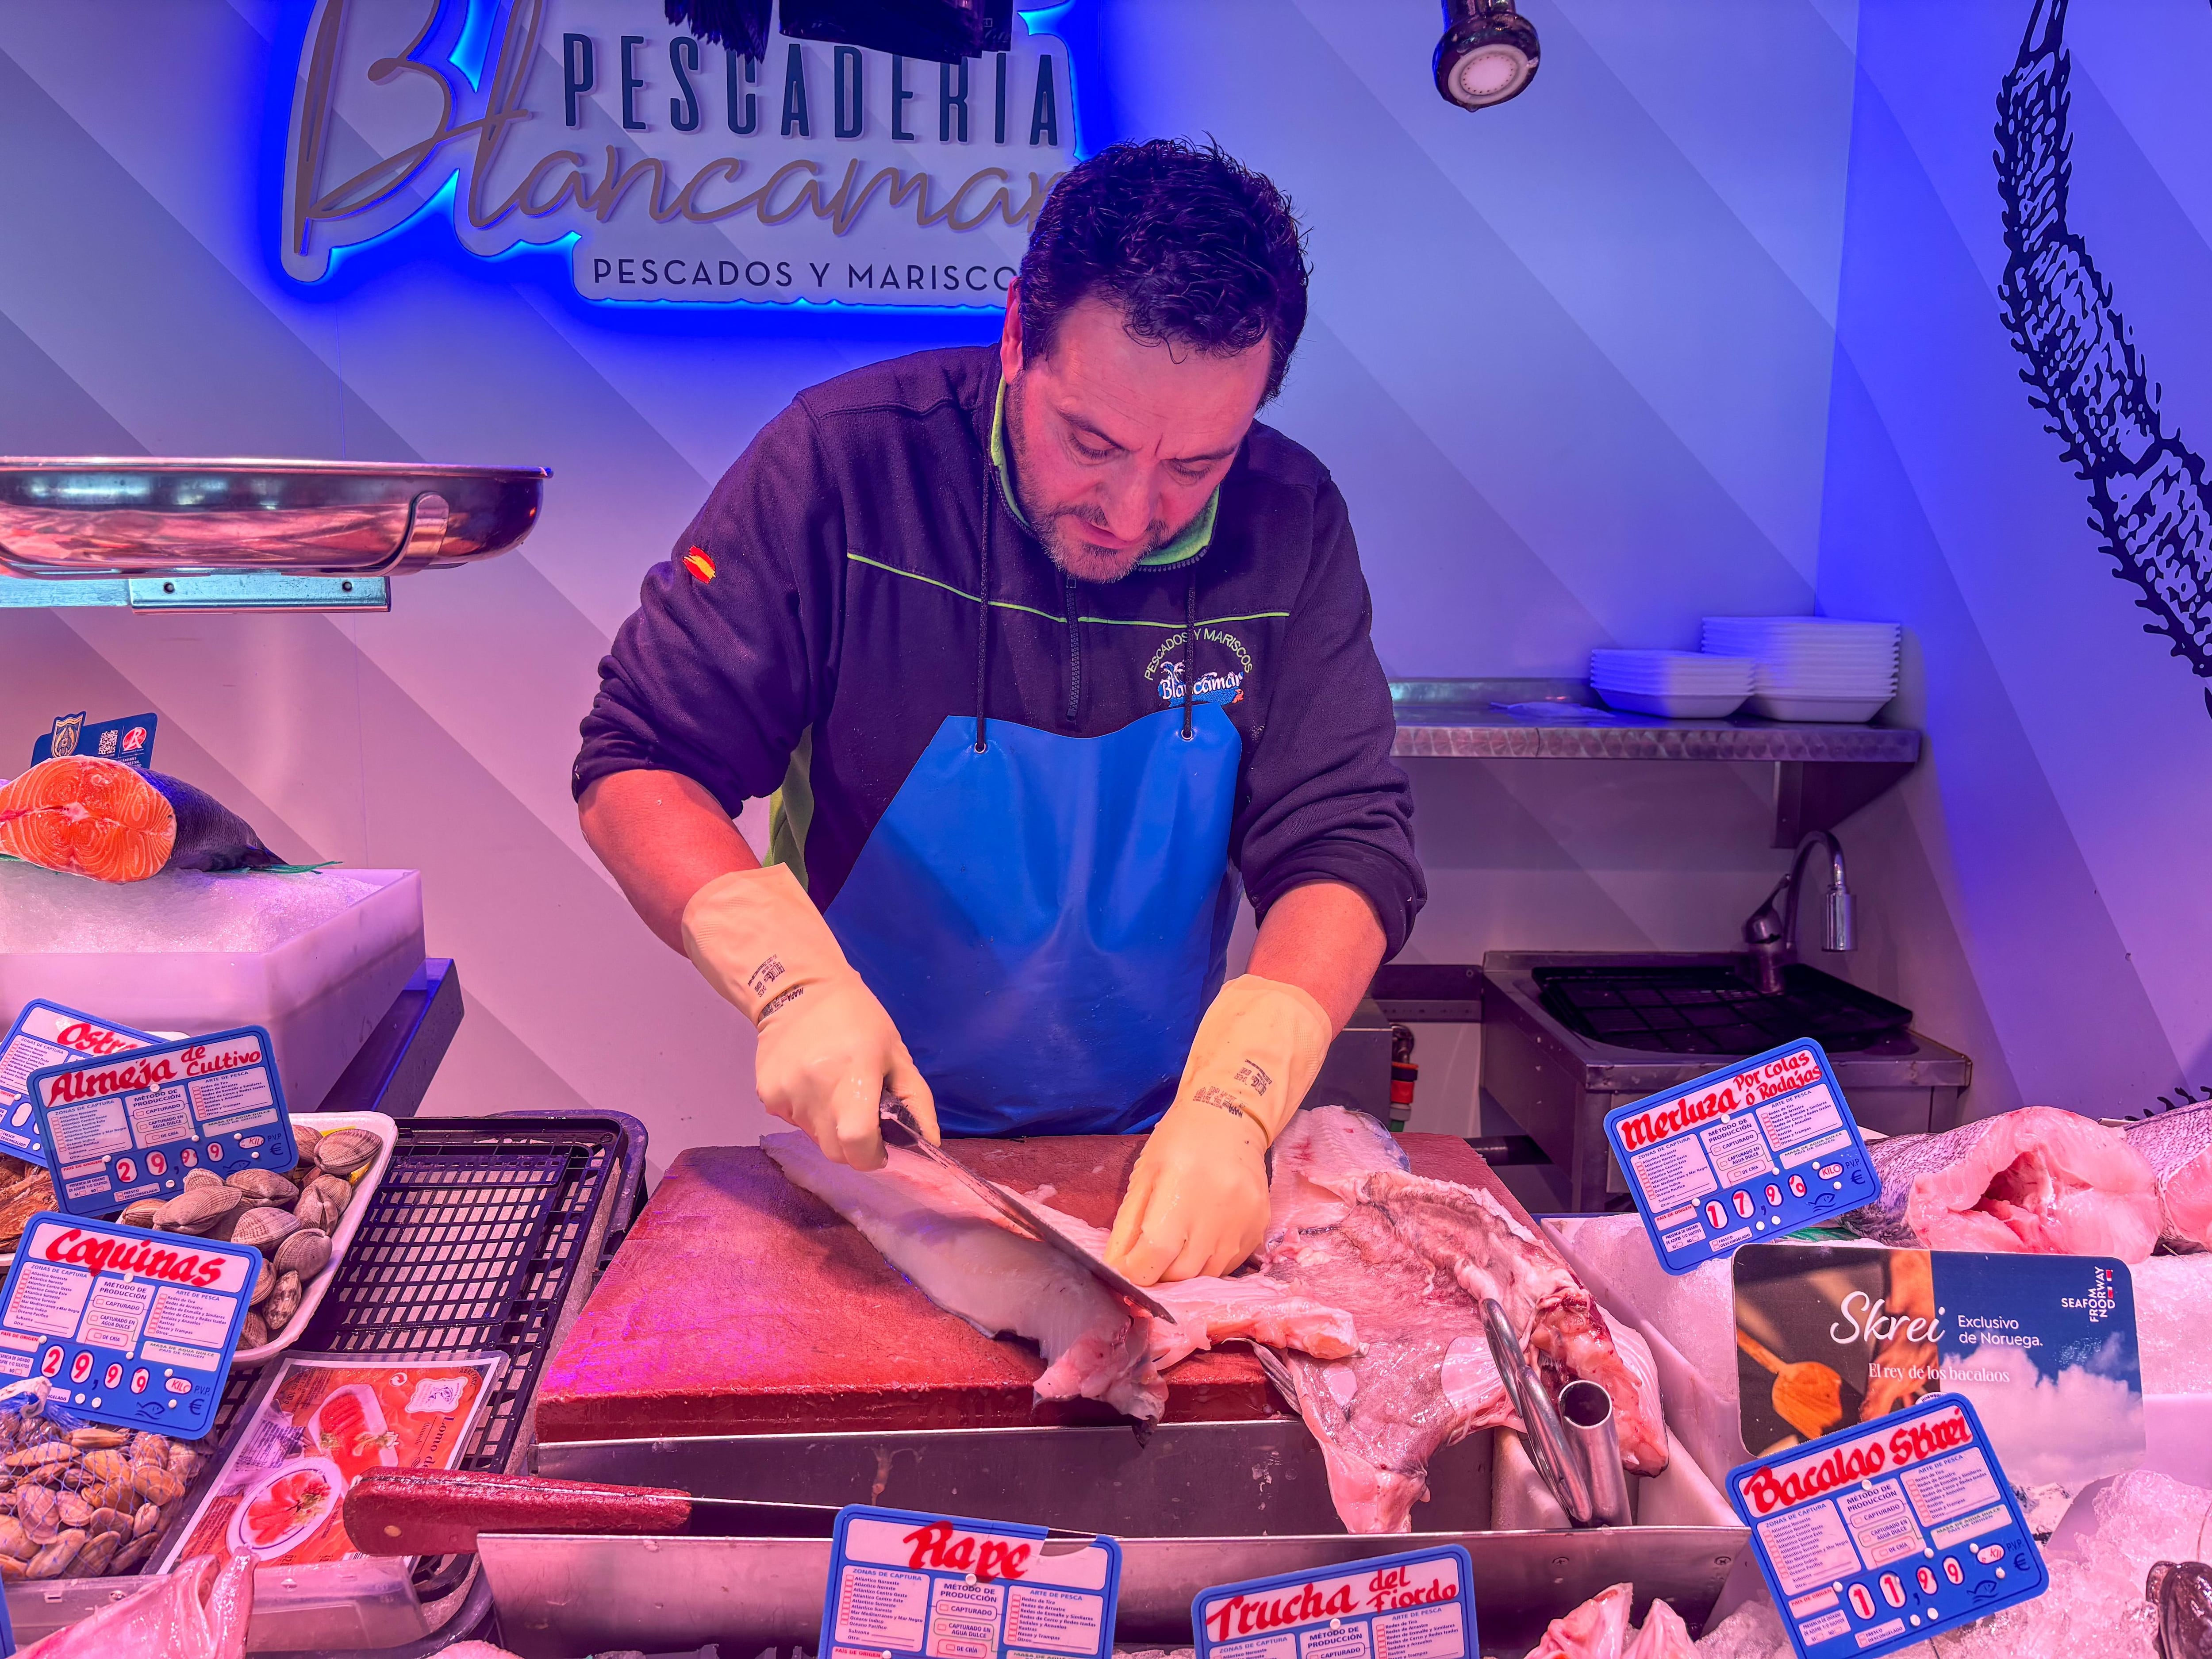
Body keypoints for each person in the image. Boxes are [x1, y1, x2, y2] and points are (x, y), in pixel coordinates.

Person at [575, 138, 1424, 1286]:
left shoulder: (1291, 520)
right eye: (1093, 443)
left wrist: (1238, 1098)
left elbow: (1346, 837)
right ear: (1020, 332)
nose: (1133, 511)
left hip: (1156, 1139)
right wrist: (790, 986)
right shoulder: (843, 467)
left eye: (1195, 465)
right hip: (880, 1144)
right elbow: (641, 760)